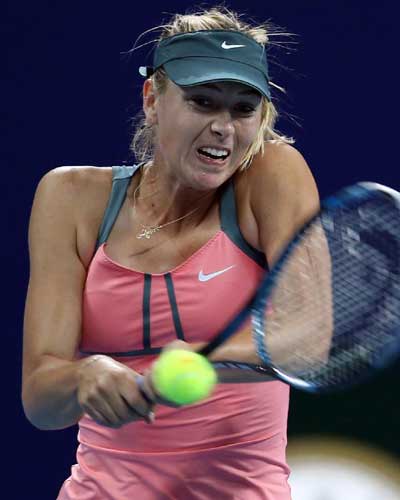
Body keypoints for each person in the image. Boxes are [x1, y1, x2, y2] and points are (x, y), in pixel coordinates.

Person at [22, 6, 319, 500]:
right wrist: (83, 375)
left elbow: (311, 336)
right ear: (152, 99)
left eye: (244, 109)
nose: (225, 127)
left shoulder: (273, 173)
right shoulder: (68, 197)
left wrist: (206, 357)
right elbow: (40, 401)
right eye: (202, 102)